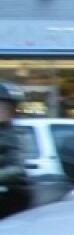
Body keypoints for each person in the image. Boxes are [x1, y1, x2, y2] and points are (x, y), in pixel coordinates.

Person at [0, 83, 28, 218]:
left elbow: (17, 168)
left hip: (10, 192)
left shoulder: (14, 135)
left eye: (8, 107)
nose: (4, 111)